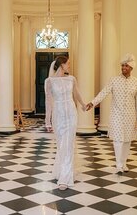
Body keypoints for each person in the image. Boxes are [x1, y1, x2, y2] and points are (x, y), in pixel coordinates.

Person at [85, 53, 137, 175]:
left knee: (127, 140)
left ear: (131, 68)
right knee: (118, 140)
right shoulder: (114, 80)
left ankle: (124, 162)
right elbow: (103, 92)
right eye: (122, 66)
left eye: (126, 66)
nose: (123, 68)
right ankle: (118, 165)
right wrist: (92, 103)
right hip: (116, 115)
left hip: (130, 116)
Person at [44, 56, 86, 190]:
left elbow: (77, 93)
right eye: (67, 63)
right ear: (61, 64)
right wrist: (47, 121)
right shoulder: (49, 81)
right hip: (58, 116)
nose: (69, 65)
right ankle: (61, 170)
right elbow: (48, 102)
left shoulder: (71, 79)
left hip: (72, 115)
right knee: (62, 145)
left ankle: (64, 178)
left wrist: (84, 105)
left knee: (68, 144)